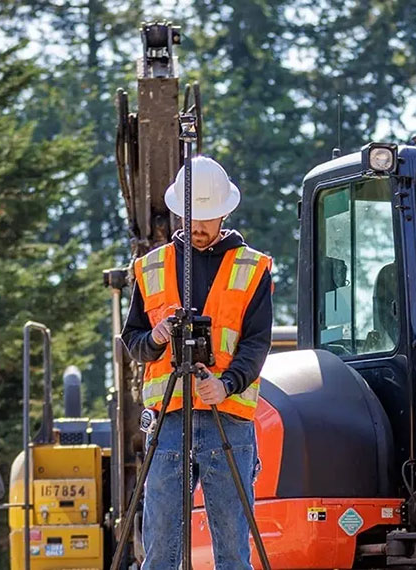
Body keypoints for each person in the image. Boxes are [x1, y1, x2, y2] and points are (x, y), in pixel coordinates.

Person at [121, 156, 273, 570]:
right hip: (169, 419)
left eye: (208, 218)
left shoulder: (252, 267)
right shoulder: (151, 267)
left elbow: (257, 344)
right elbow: (131, 341)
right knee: (161, 549)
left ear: (225, 211)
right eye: (193, 218)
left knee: (232, 551)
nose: (200, 227)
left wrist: (227, 384)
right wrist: (155, 337)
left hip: (229, 419)